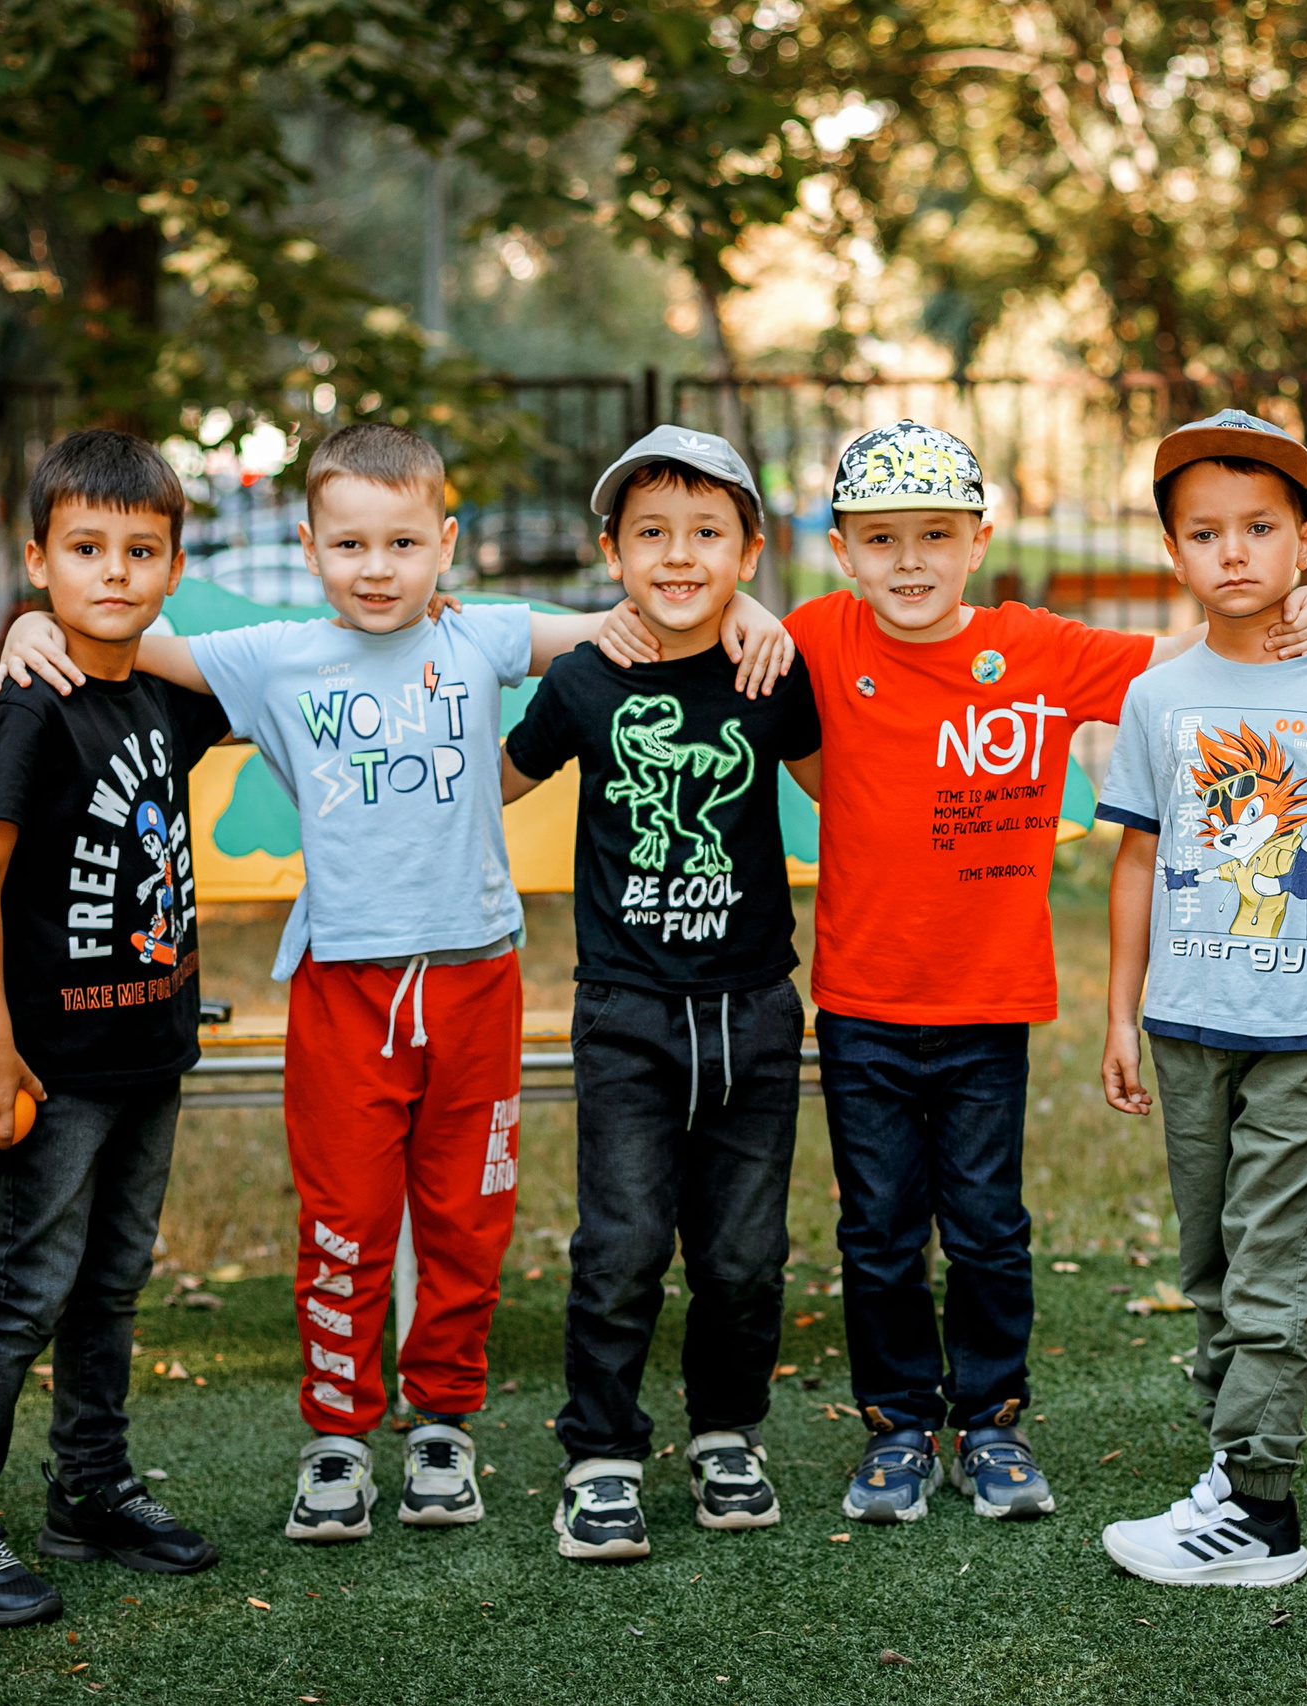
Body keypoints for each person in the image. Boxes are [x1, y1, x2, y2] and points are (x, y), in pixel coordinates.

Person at [0, 422, 793, 1548]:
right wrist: (33, 621)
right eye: (351, 544)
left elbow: (651, 618)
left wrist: (750, 610)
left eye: (404, 543)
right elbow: (126, 634)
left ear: (446, 545)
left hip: (476, 979)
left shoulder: (482, 635)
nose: (378, 568)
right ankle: (337, 1438)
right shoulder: (271, 658)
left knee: (467, 1223)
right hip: (345, 986)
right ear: (309, 547)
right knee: (344, 1223)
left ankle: (442, 1429)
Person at [779, 418, 1307, 1525]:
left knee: (987, 1227)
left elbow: (1188, 658)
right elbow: (723, 635)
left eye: (935, 535)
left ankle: (991, 1420)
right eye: (881, 537)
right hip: (861, 1001)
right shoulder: (815, 634)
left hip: (989, 1003)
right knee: (879, 1232)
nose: (909, 560)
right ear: (841, 550)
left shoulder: (1032, 648)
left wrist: (1297, 609)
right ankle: (898, 1426)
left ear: (979, 541)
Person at [0, 429, 229, 1628]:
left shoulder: (166, 698)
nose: (114, 572)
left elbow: (273, 651)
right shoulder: (26, 708)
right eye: (85, 549)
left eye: (141, 550)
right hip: (53, 1066)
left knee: (112, 1282)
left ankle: (90, 1489)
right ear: (37, 558)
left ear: (174, 565)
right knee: (28, 1286)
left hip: (149, 1050)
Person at [1091, 411, 1307, 1588]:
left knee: (1272, 1270)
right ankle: (1228, 1474)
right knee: (1212, 1268)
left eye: (1259, 527)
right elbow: (1137, 859)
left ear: (1305, 540)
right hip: (1187, 1027)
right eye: (1205, 531)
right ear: (1173, 549)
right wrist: (1118, 1012)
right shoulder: (1158, 693)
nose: (1233, 550)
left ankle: (1259, 1511)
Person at [500, 426, 823, 1562]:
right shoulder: (586, 678)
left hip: (754, 1009)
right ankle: (601, 1453)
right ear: (612, 552)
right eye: (651, 533)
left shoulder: (771, 671)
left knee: (743, 1255)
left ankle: (728, 1432)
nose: (679, 555)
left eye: (706, 533)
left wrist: (779, 625)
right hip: (625, 1009)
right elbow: (492, 781)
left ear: (748, 551)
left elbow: (846, 789)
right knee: (622, 1245)